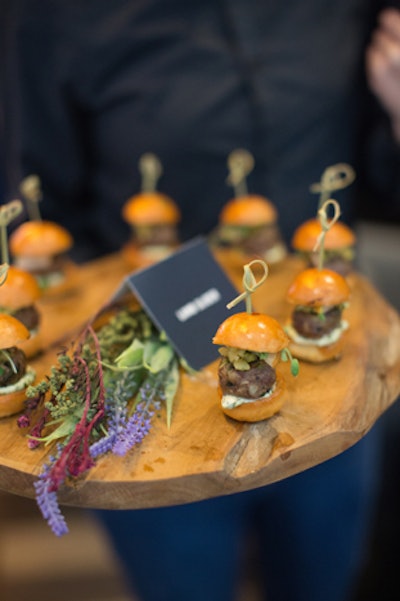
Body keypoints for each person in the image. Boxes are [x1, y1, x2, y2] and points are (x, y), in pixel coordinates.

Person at [1, 2, 399, 601]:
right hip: (156, 416)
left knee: (323, 580)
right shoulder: (53, 15)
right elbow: (40, 192)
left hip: (336, 391)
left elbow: (384, 184)